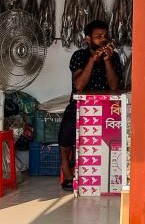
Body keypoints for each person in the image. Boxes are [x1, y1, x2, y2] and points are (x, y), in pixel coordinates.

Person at [59, 20, 121, 191]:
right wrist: (92, 60)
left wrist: (107, 60)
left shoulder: (114, 57)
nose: (104, 40)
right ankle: (66, 165)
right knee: (67, 128)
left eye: (106, 36)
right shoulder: (79, 56)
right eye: (98, 36)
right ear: (88, 39)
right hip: (80, 104)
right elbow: (79, 85)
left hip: (107, 105)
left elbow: (114, 86)